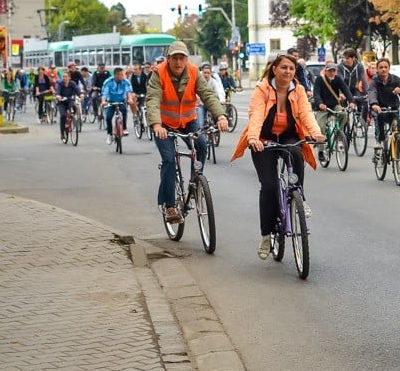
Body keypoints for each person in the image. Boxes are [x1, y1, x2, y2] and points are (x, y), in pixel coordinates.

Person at [231, 53, 324, 259]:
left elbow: (306, 113)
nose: (288, 72)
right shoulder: (262, 89)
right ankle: (266, 235)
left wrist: (316, 133)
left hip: (288, 135)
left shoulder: (298, 90)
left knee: (296, 152)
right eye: (284, 68)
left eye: (291, 68)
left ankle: (298, 194)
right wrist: (253, 138)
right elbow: (256, 114)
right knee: (270, 186)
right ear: (275, 69)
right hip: (263, 139)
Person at [147, 41, 228, 224]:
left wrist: (220, 116)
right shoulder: (158, 73)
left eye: (181, 58)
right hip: (164, 124)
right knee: (169, 160)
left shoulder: (193, 72)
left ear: (186, 59)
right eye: (174, 58)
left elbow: (207, 94)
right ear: (168, 59)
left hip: (188, 120)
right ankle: (169, 206)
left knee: (201, 145)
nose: (178, 62)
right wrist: (156, 124)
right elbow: (152, 100)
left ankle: (194, 183)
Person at [368, 57, 400, 156]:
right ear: (377, 69)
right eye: (381, 67)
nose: (383, 69)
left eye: (385, 67)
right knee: (379, 120)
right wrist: (374, 104)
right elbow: (372, 92)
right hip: (380, 108)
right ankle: (379, 142)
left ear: (389, 68)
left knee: (398, 130)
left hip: (393, 109)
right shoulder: (374, 81)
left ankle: (398, 154)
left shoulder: (396, 80)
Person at [312, 60, 354, 159]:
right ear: (325, 71)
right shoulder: (319, 79)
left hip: (334, 105)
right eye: (330, 71)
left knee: (344, 114)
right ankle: (321, 151)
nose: (332, 73)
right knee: (320, 127)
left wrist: (351, 101)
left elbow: (346, 90)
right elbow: (316, 93)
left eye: (333, 71)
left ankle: (339, 133)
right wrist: (320, 103)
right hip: (322, 107)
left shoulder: (337, 79)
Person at [101, 67, 134, 143]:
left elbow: (128, 91)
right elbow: (105, 92)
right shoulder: (108, 82)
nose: (123, 76)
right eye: (121, 75)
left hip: (121, 101)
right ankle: (109, 134)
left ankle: (124, 128)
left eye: (123, 75)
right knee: (108, 117)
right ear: (116, 75)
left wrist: (130, 99)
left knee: (125, 111)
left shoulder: (125, 82)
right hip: (111, 102)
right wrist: (103, 101)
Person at [55, 71, 83, 140]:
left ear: (69, 77)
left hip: (70, 100)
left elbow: (77, 90)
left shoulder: (72, 83)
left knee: (74, 106)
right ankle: (62, 134)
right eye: (63, 76)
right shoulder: (60, 84)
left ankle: (72, 118)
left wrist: (81, 95)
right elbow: (58, 91)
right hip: (61, 102)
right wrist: (58, 96)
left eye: (66, 76)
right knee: (63, 116)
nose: (64, 78)